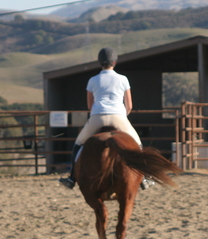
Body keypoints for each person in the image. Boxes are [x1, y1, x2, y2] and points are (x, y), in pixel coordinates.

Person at [59, 47, 152, 190]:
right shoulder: (123, 79)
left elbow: (90, 105)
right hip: (118, 117)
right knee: (138, 144)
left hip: (97, 117)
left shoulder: (92, 80)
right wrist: (123, 116)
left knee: (78, 143)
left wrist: (98, 112)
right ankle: (144, 178)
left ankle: (71, 178)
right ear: (115, 62)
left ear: (100, 62)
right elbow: (129, 105)